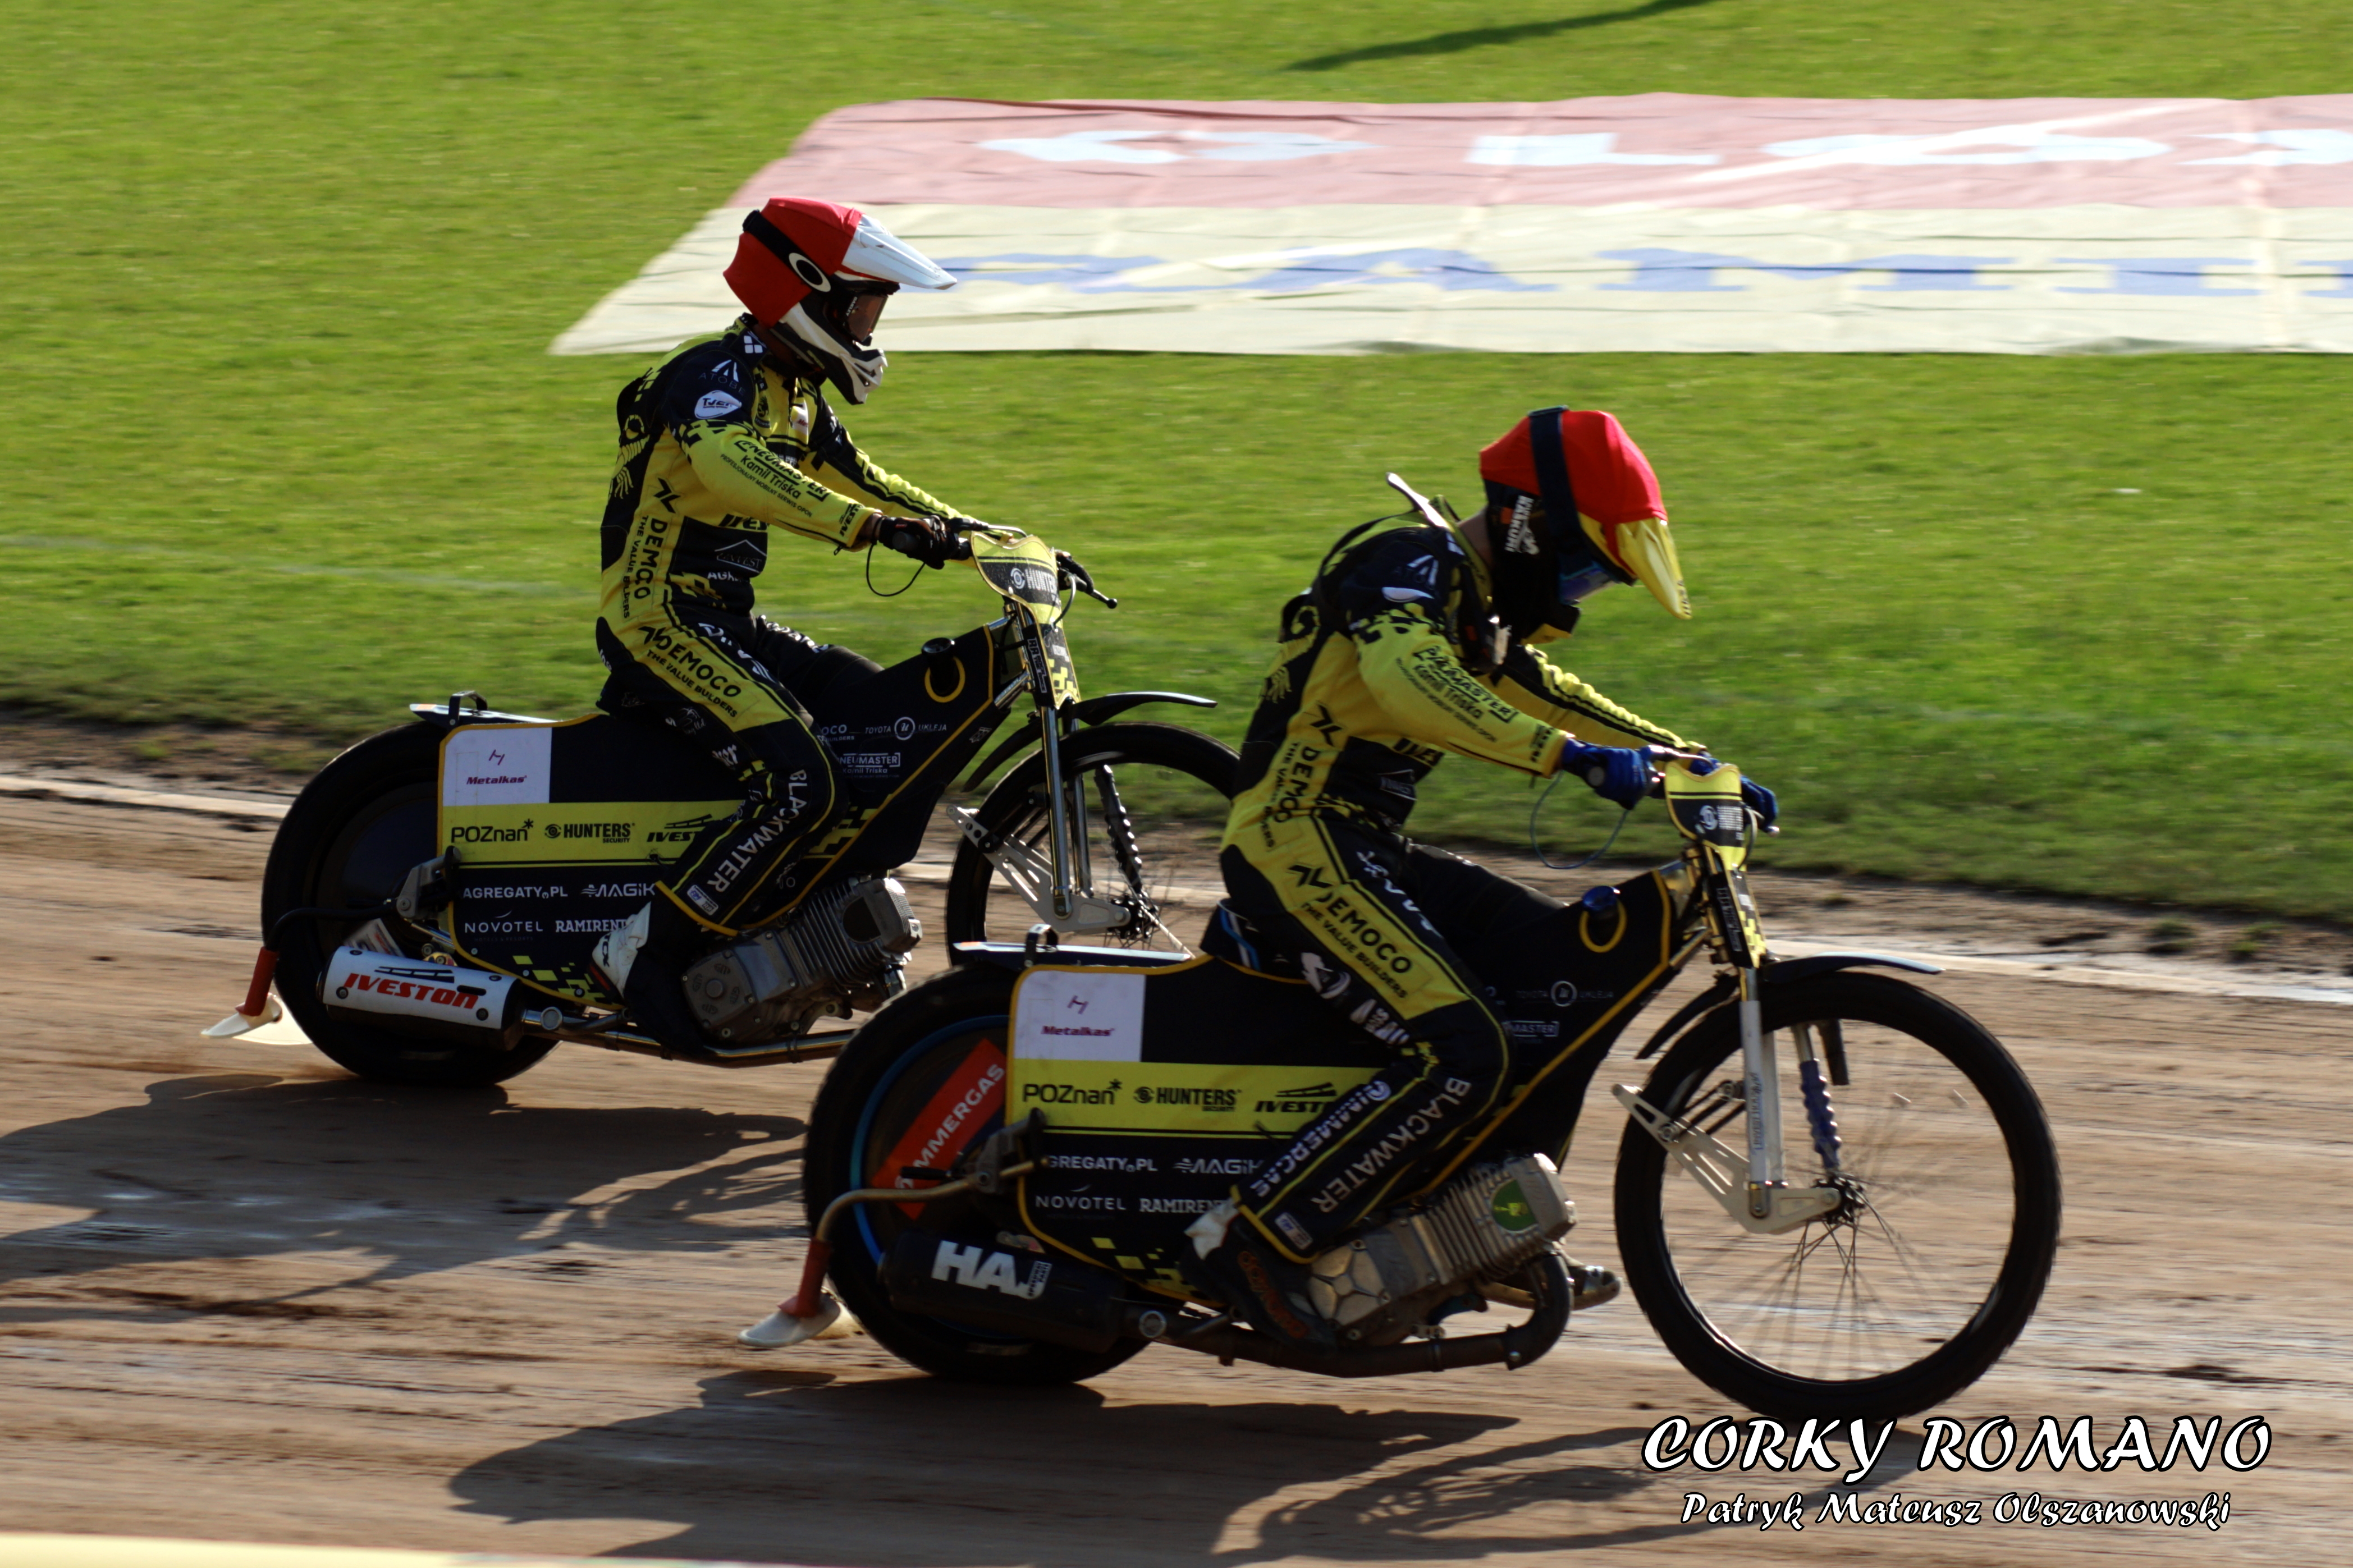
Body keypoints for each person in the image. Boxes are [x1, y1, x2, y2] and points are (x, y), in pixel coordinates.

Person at [1187, 407, 1777, 1349]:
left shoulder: (1477, 604)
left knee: (1552, 985)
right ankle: (1255, 1241)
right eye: (1586, 566)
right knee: (1465, 1049)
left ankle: (1464, 1230)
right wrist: (1569, 759)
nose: (1582, 591)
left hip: (1364, 845)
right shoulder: (1402, 560)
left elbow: (1536, 687)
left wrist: (1683, 761)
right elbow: (1417, 682)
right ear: (1531, 523)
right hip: (1293, 841)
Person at [589, 197, 976, 1049]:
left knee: (877, 710)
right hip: (658, 621)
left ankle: (807, 920)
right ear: (808, 291)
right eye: (865, 303)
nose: (873, 324)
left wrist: (991, 541)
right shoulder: (713, 376)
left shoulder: (792, 391)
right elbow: (736, 471)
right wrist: (866, 529)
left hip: (725, 621)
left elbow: (873, 480)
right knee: (805, 782)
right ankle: (643, 953)